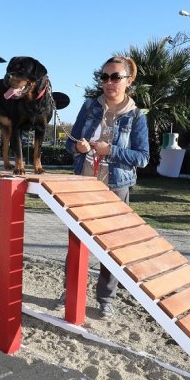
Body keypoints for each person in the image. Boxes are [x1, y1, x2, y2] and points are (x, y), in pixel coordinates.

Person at [64, 55, 150, 317]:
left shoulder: (136, 116)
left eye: (115, 77)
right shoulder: (89, 107)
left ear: (128, 80)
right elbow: (70, 143)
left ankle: (106, 298)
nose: (109, 82)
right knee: (77, 245)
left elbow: (143, 157)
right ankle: (70, 292)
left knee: (109, 248)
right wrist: (78, 147)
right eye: (104, 77)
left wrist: (110, 150)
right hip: (83, 185)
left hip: (116, 188)